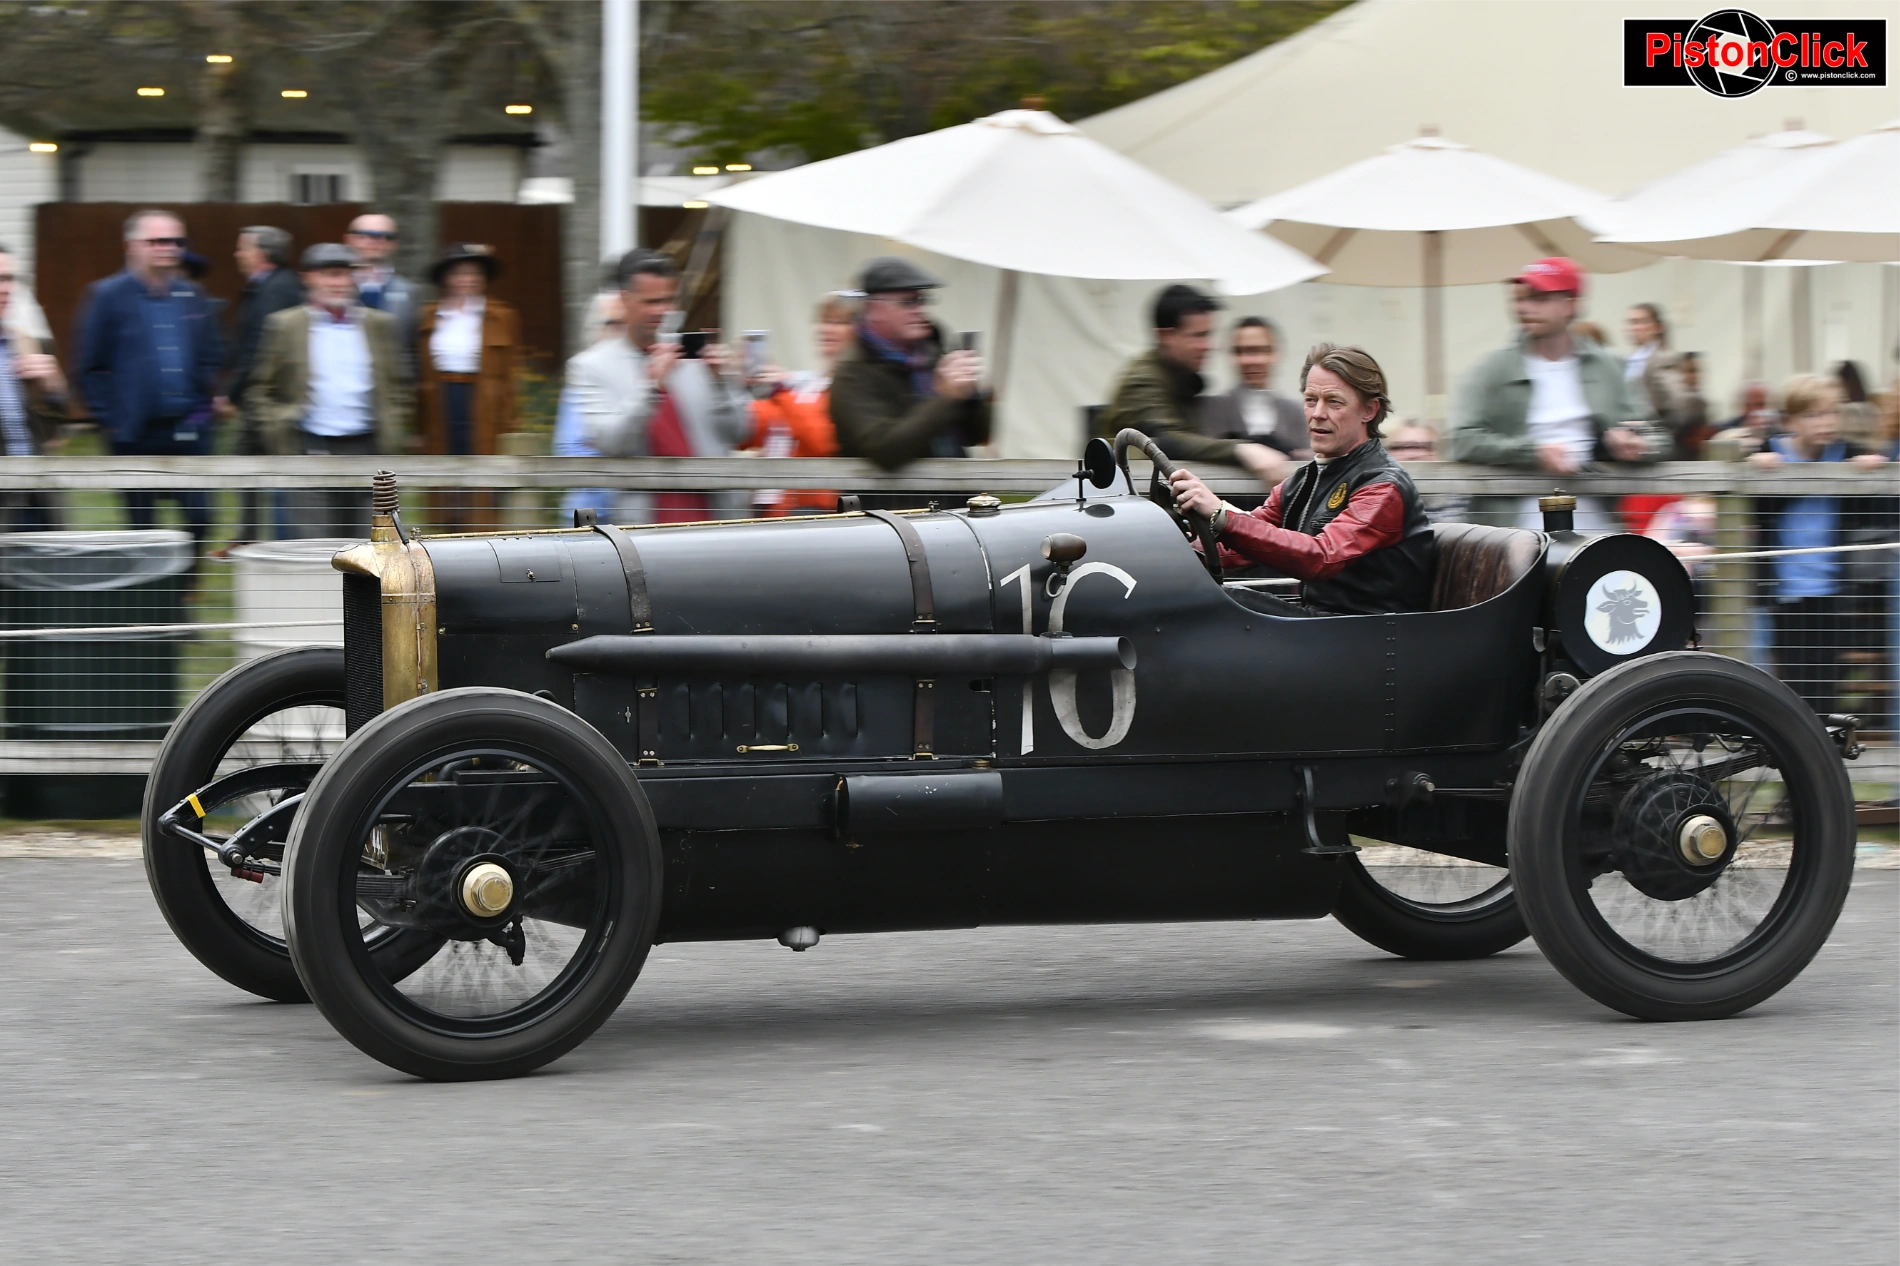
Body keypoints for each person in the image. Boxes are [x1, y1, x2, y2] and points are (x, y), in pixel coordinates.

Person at [1167, 343, 1434, 616]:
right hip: (1322, 623)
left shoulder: (1383, 487)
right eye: (1310, 400)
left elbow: (1322, 557)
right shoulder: (1304, 480)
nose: (1318, 413)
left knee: (1225, 606)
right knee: (1209, 600)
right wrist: (1168, 555)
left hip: (1366, 631)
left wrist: (1221, 514)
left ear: (1369, 410)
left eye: (1334, 402)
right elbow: (1243, 545)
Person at [1448, 257, 1663, 528]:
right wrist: (1533, 453)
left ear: (1570, 305)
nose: (1524, 307)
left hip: (1596, 522)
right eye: (1519, 298)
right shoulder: (1491, 369)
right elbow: (1460, 441)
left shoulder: (1610, 367)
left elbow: (1659, 437)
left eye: (1539, 298)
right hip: (1511, 527)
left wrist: (1636, 444)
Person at [567, 248, 751, 523]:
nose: (662, 311)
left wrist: (722, 382)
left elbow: (741, 432)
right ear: (625, 300)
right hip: (646, 527)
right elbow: (612, 442)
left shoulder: (695, 357)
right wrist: (652, 388)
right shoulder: (592, 366)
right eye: (651, 302)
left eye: (668, 300)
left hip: (718, 518)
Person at [74, 208, 223, 547]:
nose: (168, 248)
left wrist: (204, 408)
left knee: (201, 518)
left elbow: (211, 354)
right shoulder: (107, 295)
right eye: (157, 241)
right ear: (131, 246)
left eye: (175, 241)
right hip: (134, 434)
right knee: (143, 530)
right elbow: (89, 366)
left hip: (189, 431)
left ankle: (184, 580)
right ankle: (154, 583)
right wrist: (111, 420)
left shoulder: (192, 295)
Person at [244, 243, 408, 538]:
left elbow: (399, 386)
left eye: (345, 274)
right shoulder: (285, 325)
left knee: (370, 545)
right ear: (308, 278)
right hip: (309, 448)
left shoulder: (380, 325)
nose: (339, 282)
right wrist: (278, 431)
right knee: (314, 544)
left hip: (368, 450)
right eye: (329, 274)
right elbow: (260, 389)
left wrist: (395, 427)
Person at [1748, 373, 1888, 714]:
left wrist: (1871, 466)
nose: (1825, 422)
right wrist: (1755, 465)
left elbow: (1874, 497)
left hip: (1831, 592)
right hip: (1785, 592)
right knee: (1791, 680)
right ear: (1791, 421)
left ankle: (1824, 740)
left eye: (1831, 413)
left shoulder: (1845, 452)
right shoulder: (1772, 451)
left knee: (1826, 680)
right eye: (1813, 415)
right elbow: (1752, 501)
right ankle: (1794, 741)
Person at [1100, 285, 1288, 488]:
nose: (1209, 346)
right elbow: (1166, 441)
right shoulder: (1142, 381)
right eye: (1198, 336)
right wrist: (1241, 450)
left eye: (1209, 335)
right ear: (1166, 337)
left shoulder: (1179, 377)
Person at [828, 256, 989, 471]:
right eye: (907, 302)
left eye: (921, 300)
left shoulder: (933, 354)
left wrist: (970, 394)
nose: (919, 309)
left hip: (955, 487)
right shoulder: (853, 374)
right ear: (871, 309)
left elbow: (976, 435)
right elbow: (885, 450)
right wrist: (947, 398)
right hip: (896, 494)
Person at [417, 243, 520, 531]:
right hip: (442, 400)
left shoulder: (502, 315)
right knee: (444, 471)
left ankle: (482, 535)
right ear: (446, 278)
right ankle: (445, 533)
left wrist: (510, 421)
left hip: (484, 401)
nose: (467, 279)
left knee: (482, 472)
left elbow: (510, 375)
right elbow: (421, 373)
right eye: (459, 273)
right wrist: (418, 425)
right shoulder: (430, 314)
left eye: (474, 273)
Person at [223, 225, 302, 548]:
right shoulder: (268, 286)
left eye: (244, 248)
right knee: (250, 463)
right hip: (267, 397)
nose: (237, 254)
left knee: (264, 465)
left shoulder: (273, 291)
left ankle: (274, 540)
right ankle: (251, 536)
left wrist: (232, 394)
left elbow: (259, 349)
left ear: (263, 254)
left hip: (270, 400)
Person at [741, 295, 851, 516]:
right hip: (772, 508)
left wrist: (781, 390)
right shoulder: (802, 383)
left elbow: (821, 441)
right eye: (824, 321)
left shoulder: (851, 386)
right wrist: (736, 390)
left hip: (814, 510)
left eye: (838, 322)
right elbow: (747, 435)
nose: (827, 329)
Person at [0, 244, 68, 530]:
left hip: (36, 493)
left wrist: (53, 385)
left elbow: (55, 426)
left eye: (9, 279)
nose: (5, 289)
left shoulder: (23, 342)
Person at [556, 290, 628, 525]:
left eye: (625, 324)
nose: (620, 332)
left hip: (634, 511)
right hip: (591, 512)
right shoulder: (581, 379)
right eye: (612, 324)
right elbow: (570, 450)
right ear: (596, 330)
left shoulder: (642, 379)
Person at [1199, 316, 1309, 458]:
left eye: (1259, 350)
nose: (1250, 360)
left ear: (1276, 354)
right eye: (1240, 351)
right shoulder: (1210, 410)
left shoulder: (1297, 413)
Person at [345, 214, 417, 378]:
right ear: (348, 239)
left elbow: (413, 350)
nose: (376, 241)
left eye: (387, 236)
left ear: (395, 243)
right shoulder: (330, 288)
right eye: (366, 235)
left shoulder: (410, 291)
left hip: (392, 382)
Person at [1384, 419, 1468, 523]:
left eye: (1423, 447)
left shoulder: (1457, 493)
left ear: (1438, 453)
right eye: (1398, 447)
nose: (1411, 455)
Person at [1709, 380, 1780, 459]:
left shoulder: (1779, 433)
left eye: (1761, 404)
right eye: (1749, 404)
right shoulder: (1722, 429)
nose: (1755, 410)